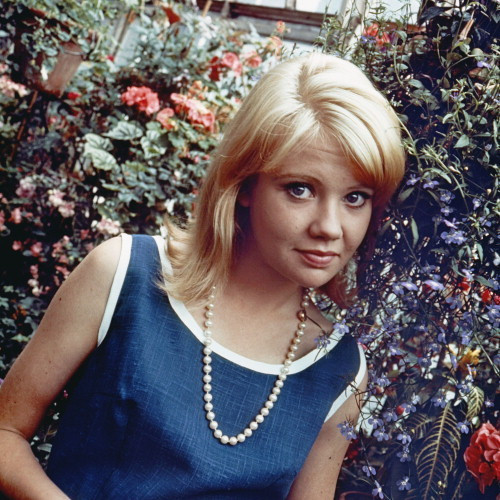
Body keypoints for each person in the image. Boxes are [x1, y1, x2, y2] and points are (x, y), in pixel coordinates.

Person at [0, 53, 405, 499]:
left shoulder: (340, 368)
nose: (329, 227)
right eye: (300, 189)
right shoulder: (123, 275)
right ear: (245, 185)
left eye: (355, 197)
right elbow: (5, 433)